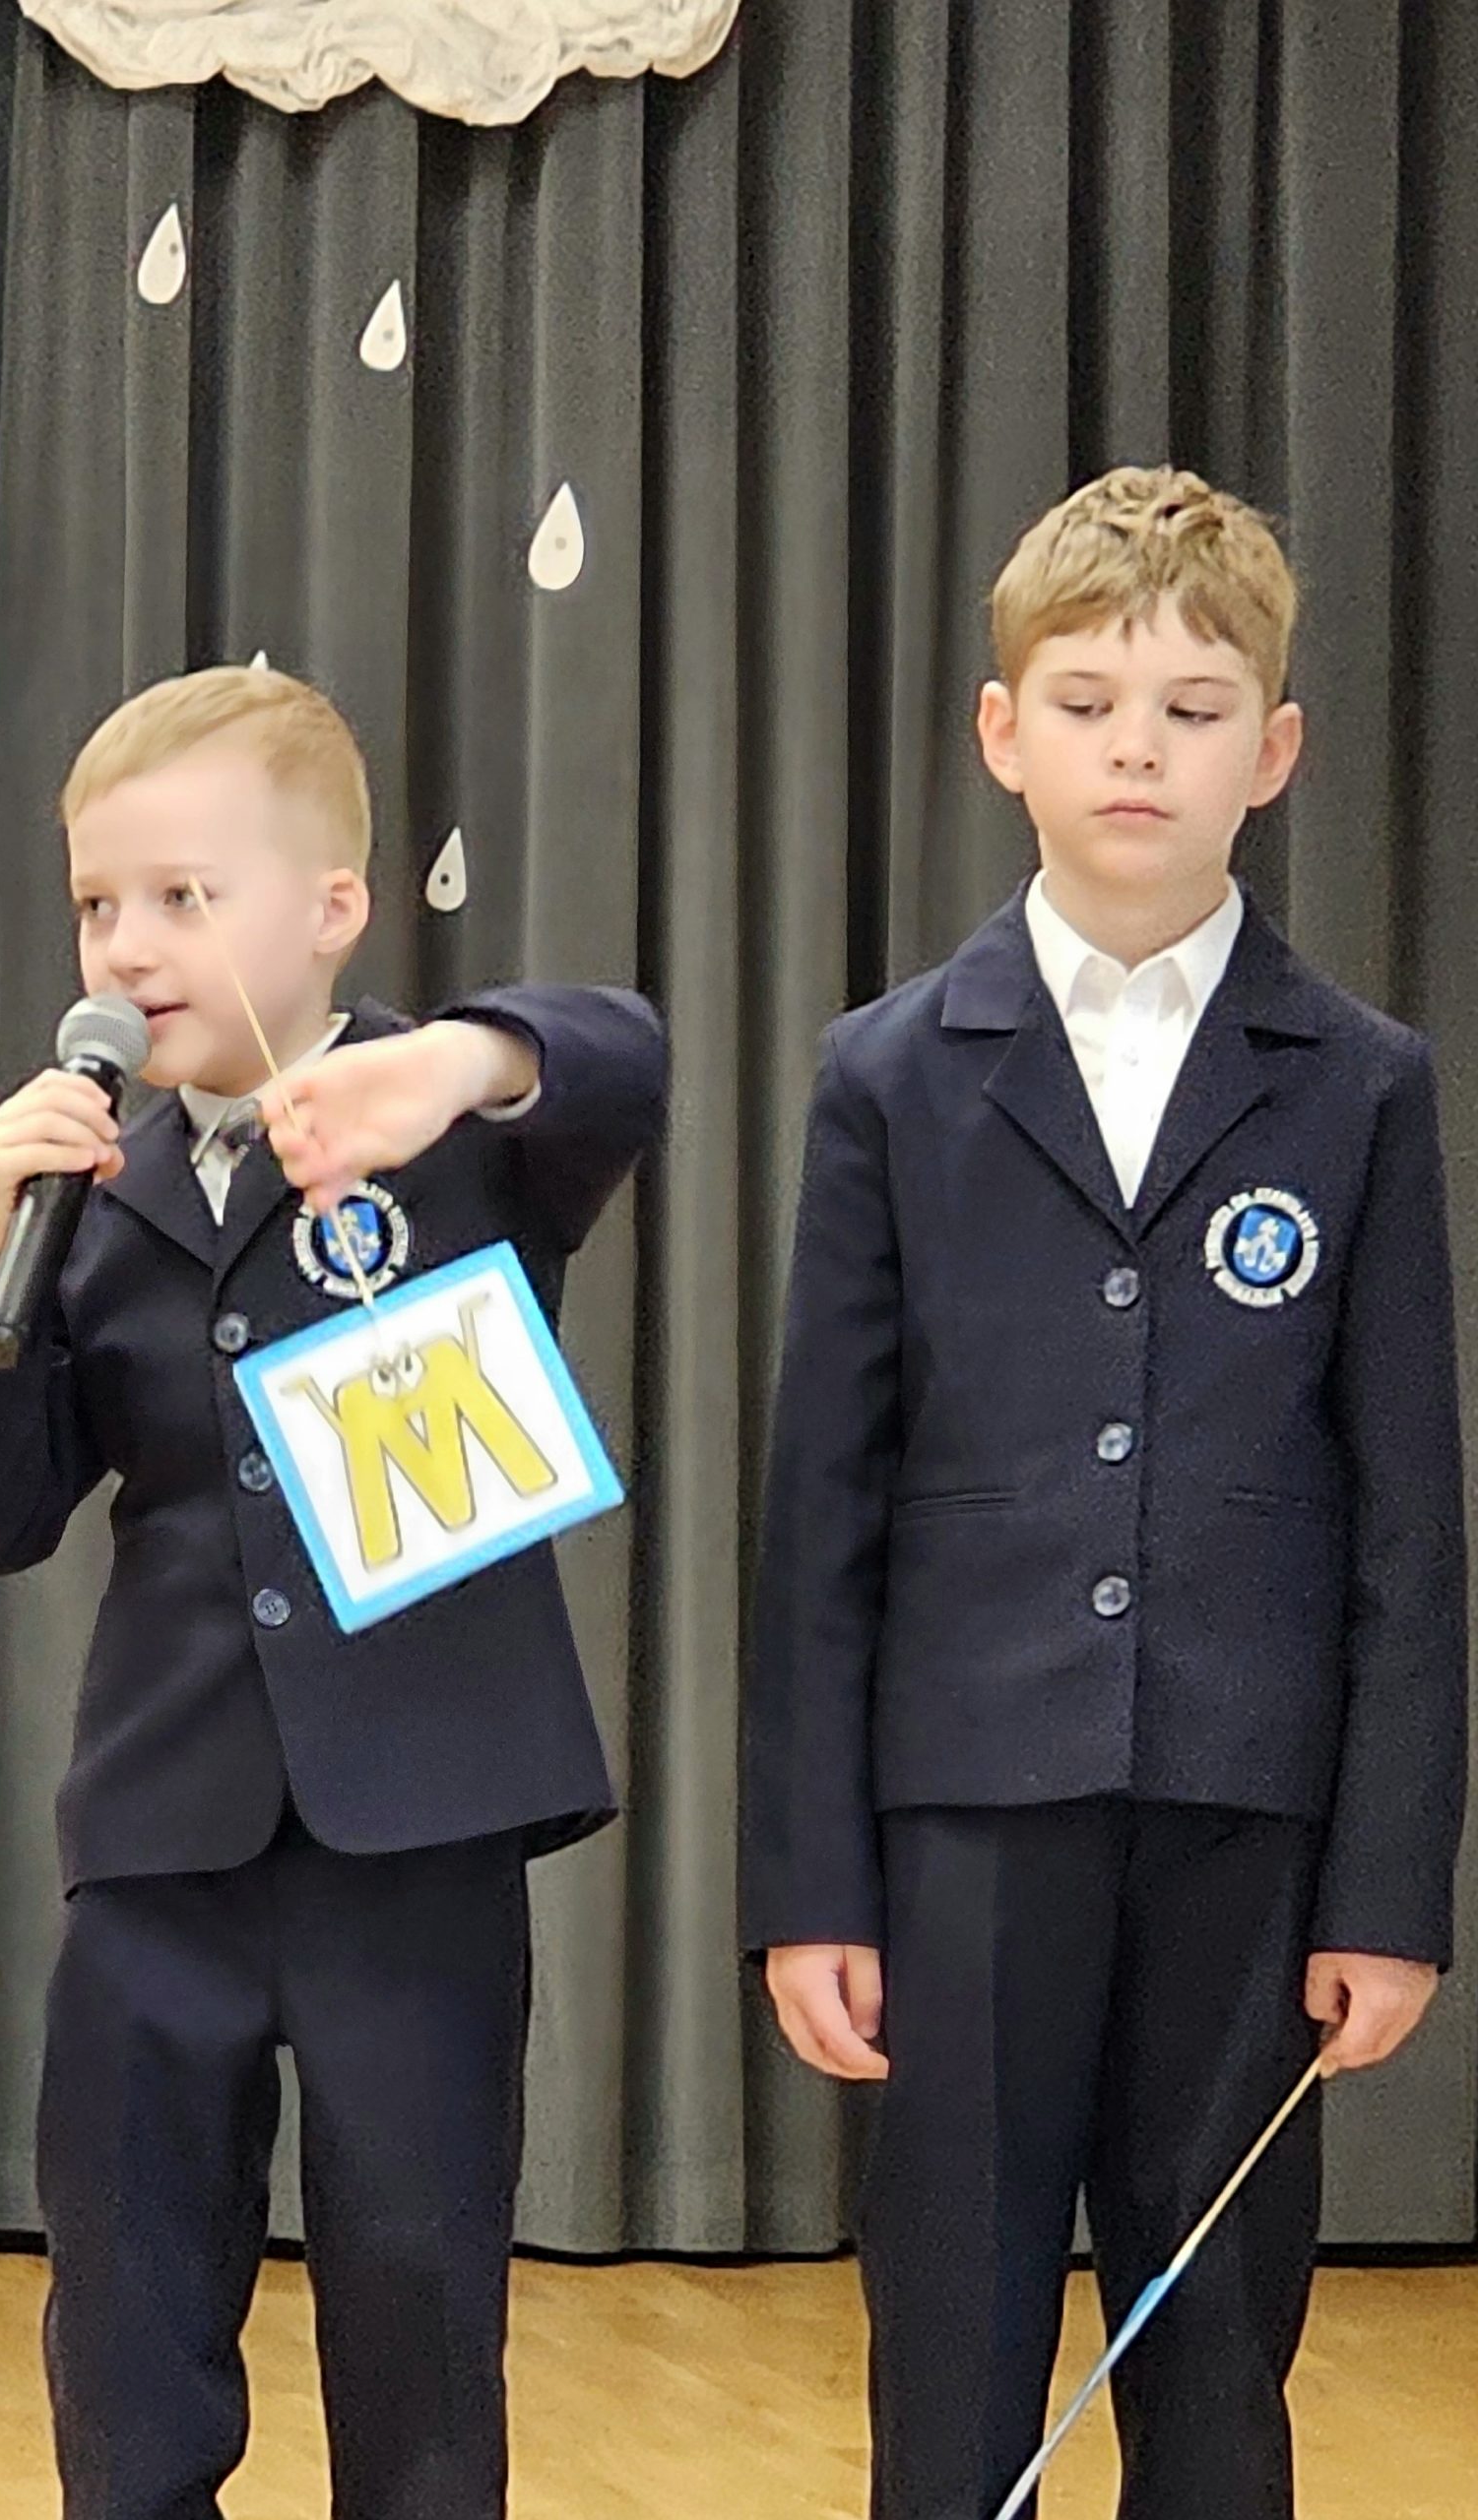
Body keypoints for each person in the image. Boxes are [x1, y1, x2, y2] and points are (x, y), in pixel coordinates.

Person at [743, 466, 1468, 2520]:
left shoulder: (1359, 1082)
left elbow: (1409, 1523)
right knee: (950, 2336)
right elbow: (818, 1518)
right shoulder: (889, 1074)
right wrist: (811, 1880)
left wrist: (1386, 1891)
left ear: (1273, 751)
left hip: (1248, 1819)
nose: (1135, 746)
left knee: (1217, 2347)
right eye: (1084, 702)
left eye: (1189, 706)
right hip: (967, 1812)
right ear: (1002, 734)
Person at [0, 665, 665, 2517]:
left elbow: (622, 1049)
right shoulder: (99, 1190)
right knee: (131, 2312)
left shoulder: (458, 1127)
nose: (130, 945)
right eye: (99, 903)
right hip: (163, 1830)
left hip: (417, 1827)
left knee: (417, 2307)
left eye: (184, 895)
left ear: (332, 908)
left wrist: (454, 1063)